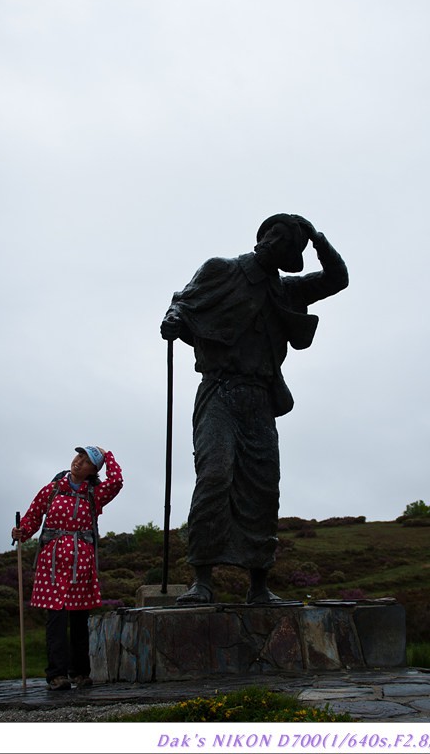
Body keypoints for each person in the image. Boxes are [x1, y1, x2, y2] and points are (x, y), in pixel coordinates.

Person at [160, 213, 348, 605]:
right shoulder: (221, 270)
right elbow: (184, 303)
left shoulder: (287, 291)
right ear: (262, 237)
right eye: (275, 233)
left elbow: (337, 279)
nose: (278, 242)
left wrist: (317, 238)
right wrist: (174, 320)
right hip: (219, 391)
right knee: (214, 475)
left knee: (264, 488)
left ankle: (259, 585)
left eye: (289, 241)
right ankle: (203, 579)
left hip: (259, 399)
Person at [11, 445, 123, 690]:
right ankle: (57, 675)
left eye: (86, 461)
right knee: (56, 619)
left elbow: (116, 482)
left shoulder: (94, 494)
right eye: (78, 457)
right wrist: (22, 532)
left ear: (93, 470)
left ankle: (80, 673)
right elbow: (32, 517)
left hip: (81, 565)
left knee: (79, 619)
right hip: (51, 565)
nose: (78, 462)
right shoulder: (51, 490)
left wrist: (108, 455)